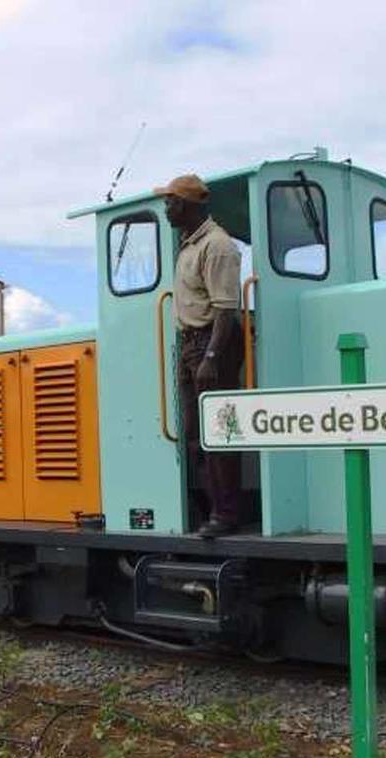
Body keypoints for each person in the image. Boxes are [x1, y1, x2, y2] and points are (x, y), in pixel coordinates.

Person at [153, 173, 243, 538]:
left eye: (170, 202)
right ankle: (208, 508)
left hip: (211, 343)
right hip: (191, 344)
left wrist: (210, 356)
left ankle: (226, 515)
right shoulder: (189, 245)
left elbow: (225, 308)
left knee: (219, 433)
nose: (166, 208)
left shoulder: (217, 246)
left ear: (188, 205)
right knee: (193, 434)